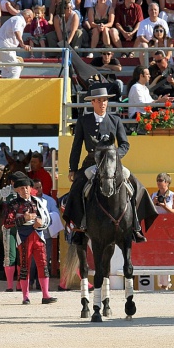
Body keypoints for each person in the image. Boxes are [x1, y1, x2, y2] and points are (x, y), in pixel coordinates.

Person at [64, 87, 155, 244]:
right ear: (92, 102)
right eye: (99, 100)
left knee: (136, 186)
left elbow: (125, 144)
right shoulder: (83, 121)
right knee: (76, 188)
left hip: (112, 164)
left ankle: (135, 226)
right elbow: (77, 146)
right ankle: (78, 227)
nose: (102, 103)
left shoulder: (115, 120)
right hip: (91, 162)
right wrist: (73, 168)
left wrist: (113, 157)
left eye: (104, 100)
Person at [3, 175, 57, 304]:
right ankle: (25, 297)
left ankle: (45, 295)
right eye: (22, 188)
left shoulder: (39, 201)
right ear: (17, 190)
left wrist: (41, 222)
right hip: (24, 237)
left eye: (26, 187)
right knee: (25, 266)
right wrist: (24, 219)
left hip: (38, 235)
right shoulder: (13, 204)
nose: (25, 190)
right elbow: (7, 222)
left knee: (43, 264)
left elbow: (48, 219)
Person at [29, 179, 59, 291]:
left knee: (44, 261)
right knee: (31, 262)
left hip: (46, 235)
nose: (39, 189)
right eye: (36, 187)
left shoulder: (50, 200)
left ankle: (40, 284)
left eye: (40, 187)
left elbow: (55, 213)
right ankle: (30, 282)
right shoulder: (28, 201)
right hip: (32, 235)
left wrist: (45, 217)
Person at [150, 172, 174, 290]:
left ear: (167, 182)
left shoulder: (173, 195)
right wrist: (153, 204)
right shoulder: (153, 195)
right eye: (157, 180)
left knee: (167, 254)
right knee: (157, 253)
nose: (158, 182)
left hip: (169, 228)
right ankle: (161, 283)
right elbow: (148, 212)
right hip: (156, 227)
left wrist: (164, 206)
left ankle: (166, 283)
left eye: (161, 180)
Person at [0, 8, 33, 78]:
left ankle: (4, 86)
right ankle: (11, 88)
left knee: (6, 69)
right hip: (3, 45)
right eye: (31, 19)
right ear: (29, 17)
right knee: (16, 68)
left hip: (1, 45)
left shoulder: (15, 18)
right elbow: (17, 31)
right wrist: (22, 44)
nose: (31, 21)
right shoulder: (18, 19)